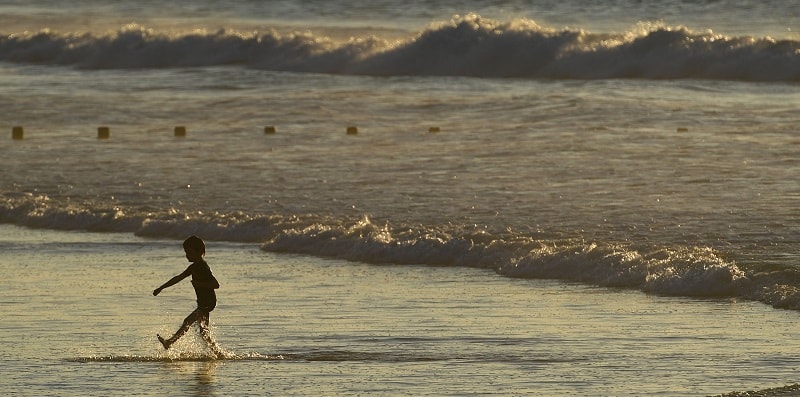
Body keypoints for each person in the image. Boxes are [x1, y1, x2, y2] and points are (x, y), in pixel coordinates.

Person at [153, 235, 221, 354]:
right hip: (203, 302)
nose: (187, 255)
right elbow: (178, 278)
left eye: (189, 252)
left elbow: (215, 284)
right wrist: (161, 287)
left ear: (199, 252)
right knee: (204, 333)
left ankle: (170, 342)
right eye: (186, 252)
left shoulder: (203, 267)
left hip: (208, 302)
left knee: (187, 321)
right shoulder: (193, 267)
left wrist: (198, 283)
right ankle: (218, 353)